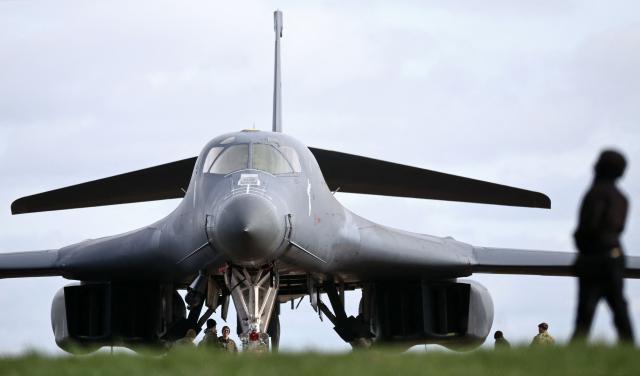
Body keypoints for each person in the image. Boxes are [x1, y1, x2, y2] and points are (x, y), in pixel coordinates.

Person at [571, 150, 634, 344]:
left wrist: (580, 240)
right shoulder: (622, 198)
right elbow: (618, 227)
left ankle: (577, 348)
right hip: (614, 257)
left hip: (594, 259)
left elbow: (590, 225)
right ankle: (629, 346)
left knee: (585, 313)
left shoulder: (595, 194)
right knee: (619, 309)